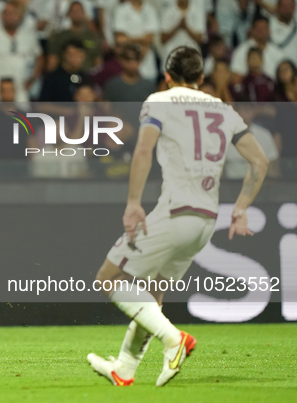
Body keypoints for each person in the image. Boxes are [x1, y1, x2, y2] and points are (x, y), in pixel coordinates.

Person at [87, 46, 269, 387]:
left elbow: (142, 150)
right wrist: (241, 208)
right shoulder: (224, 109)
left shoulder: (159, 101)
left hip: (174, 211)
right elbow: (260, 162)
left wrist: (133, 202)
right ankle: (125, 368)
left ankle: (174, 339)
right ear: (201, 78)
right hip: (206, 220)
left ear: (167, 76)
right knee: (152, 293)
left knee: (108, 278)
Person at [47, 0, 102, 72]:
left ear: (84, 13)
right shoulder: (60, 36)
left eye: (79, 11)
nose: (76, 14)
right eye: (73, 11)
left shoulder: (93, 37)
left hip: (87, 76)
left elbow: (98, 61)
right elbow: (53, 60)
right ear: (68, 14)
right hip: (65, 77)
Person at [230, 17, 284, 84]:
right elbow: (236, 78)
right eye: (258, 29)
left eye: (264, 28)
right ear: (252, 30)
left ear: (269, 30)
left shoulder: (277, 52)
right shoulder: (241, 51)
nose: (261, 31)